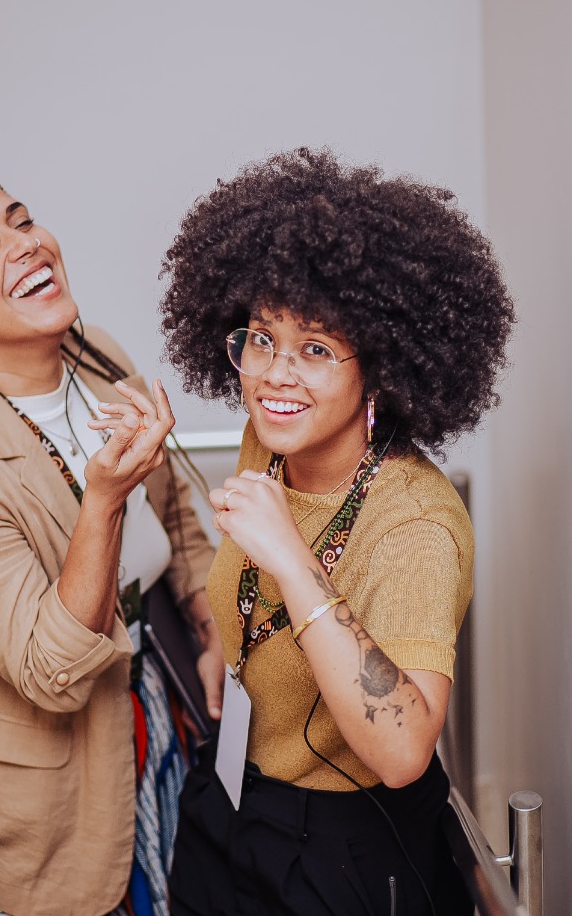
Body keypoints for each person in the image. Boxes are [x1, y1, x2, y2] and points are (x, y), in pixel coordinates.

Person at [159, 147, 515, 916]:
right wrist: (228, 642)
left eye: (315, 349)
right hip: (227, 798)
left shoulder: (413, 524)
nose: (273, 374)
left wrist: (293, 562)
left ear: (378, 369)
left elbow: (402, 751)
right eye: (261, 338)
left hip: (341, 847)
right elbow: (247, 577)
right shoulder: (273, 438)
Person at [0, 169, 224, 916]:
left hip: (156, 718)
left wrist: (210, 621)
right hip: (33, 809)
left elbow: (174, 519)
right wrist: (103, 500)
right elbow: (53, 671)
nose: (26, 245)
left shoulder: (98, 358)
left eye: (22, 220)